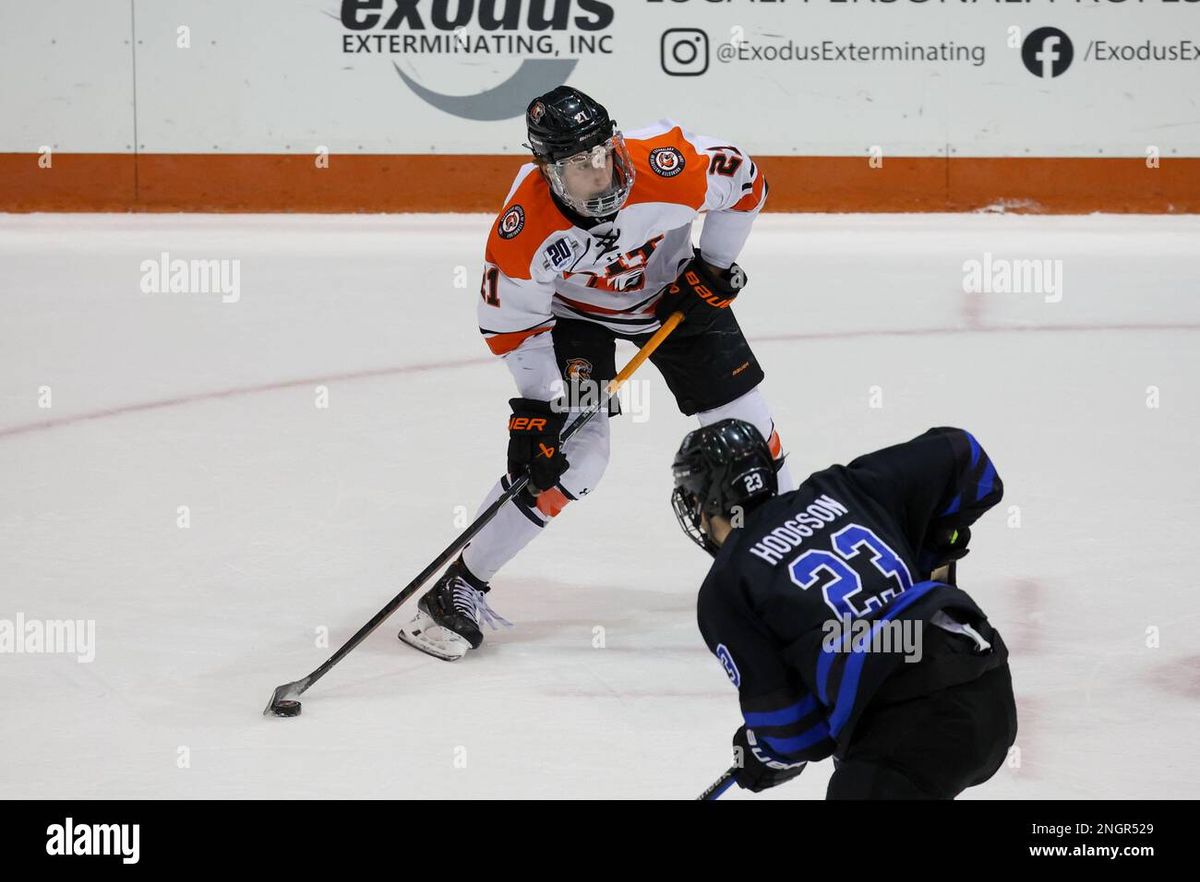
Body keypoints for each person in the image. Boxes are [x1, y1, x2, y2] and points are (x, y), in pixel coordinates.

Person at [399, 86, 795, 660]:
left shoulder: (668, 166)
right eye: (578, 165)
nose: (598, 171)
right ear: (549, 173)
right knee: (578, 455)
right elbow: (511, 328)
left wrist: (713, 265)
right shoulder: (524, 232)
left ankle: (780, 571)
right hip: (574, 322)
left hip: (675, 298)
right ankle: (457, 587)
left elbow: (747, 184)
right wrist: (537, 409)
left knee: (753, 436)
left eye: (601, 154)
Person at [672, 419, 1017, 798]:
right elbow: (968, 458)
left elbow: (796, 733)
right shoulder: (843, 487)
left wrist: (763, 751)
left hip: (907, 730)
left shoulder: (728, 584)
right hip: (988, 686)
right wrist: (934, 549)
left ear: (710, 503)